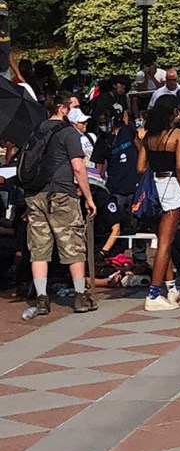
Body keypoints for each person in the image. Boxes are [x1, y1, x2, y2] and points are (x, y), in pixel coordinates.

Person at [21, 93, 98, 319]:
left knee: (39, 247)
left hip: (35, 195)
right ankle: (80, 295)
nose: (76, 110)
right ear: (63, 109)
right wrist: (89, 197)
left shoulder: (37, 131)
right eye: (73, 106)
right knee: (72, 243)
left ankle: (42, 298)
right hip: (62, 194)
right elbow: (78, 168)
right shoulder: (69, 133)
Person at [137, 99, 180, 313]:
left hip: (152, 188)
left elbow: (140, 167)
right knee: (166, 243)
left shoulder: (148, 136)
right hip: (171, 186)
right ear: (173, 113)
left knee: (161, 239)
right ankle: (153, 293)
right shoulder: (178, 135)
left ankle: (171, 288)